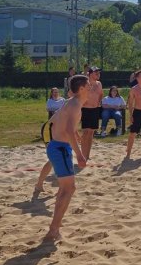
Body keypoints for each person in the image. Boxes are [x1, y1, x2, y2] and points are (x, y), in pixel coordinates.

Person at [34, 74, 88, 241]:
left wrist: (74, 135)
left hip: (57, 146)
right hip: (60, 148)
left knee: (65, 189)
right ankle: (54, 229)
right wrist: (80, 155)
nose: (91, 88)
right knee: (68, 189)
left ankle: (56, 225)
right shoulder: (74, 105)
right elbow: (68, 130)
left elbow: (55, 121)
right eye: (88, 85)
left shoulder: (71, 102)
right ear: (81, 89)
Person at [79, 67, 103, 161]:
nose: (98, 74)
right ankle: (82, 155)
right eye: (96, 72)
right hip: (85, 110)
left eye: (98, 72)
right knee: (85, 133)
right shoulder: (84, 83)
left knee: (91, 133)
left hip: (95, 110)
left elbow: (101, 94)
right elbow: (72, 93)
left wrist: (98, 102)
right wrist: (82, 103)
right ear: (90, 74)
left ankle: (87, 156)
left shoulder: (99, 84)